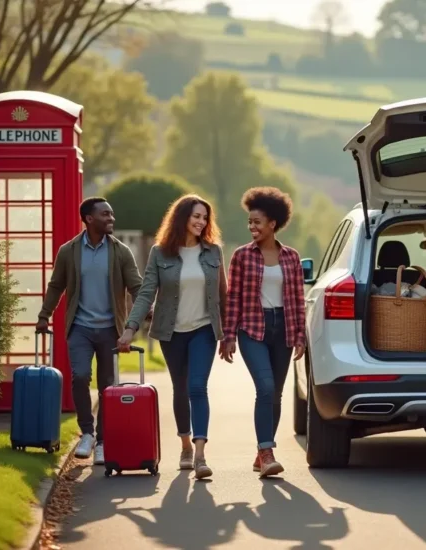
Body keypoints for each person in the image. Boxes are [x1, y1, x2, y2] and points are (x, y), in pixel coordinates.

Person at [118, 194, 227, 480]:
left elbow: (223, 295)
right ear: (181, 218)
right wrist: (130, 328)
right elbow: (146, 292)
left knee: (197, 387)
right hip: (171, 332)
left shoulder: (213, 252)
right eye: (196, 216)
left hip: (204, 330)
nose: (201, 222)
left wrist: (229, 334)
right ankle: (184, 446)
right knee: (180, 389)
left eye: (205, 217)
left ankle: (201, 454)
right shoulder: (160, 253)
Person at [36, 197, 143, 465]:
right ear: (89, 218)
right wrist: (43, 316)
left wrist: (140, 315)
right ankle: (87, 433)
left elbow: (137, 287)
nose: (111, 219)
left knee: (107, 386)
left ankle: (103, 443)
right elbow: (56, 286)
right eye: (105, 214)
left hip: (111, 329)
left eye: (112, 214)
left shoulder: (121, 252)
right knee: (81, 376)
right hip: (80, 327)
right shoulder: (69, 251)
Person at [220, 186, 306, 479]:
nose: (252, 227)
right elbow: (233, 298)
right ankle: (267, 451)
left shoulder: (291, 257)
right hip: (252, 329)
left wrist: (300, 336)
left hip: (282, 328)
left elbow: (297, 299)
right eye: (249, 222)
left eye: (257, 222)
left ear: (273, 223)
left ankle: (261, 454)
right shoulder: (242, 256)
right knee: (266, 388)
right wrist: (229, 335)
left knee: (277, 395)